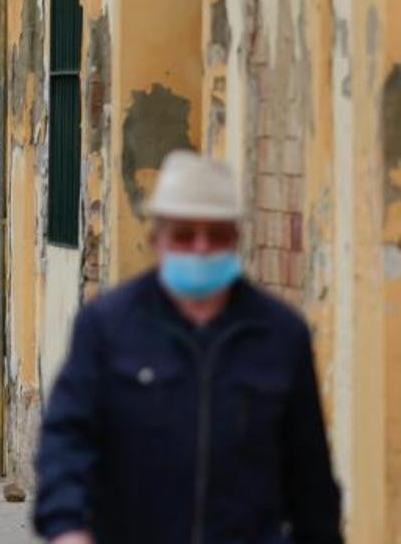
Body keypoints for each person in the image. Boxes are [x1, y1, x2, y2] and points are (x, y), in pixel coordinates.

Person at [33, 150, 342, 544]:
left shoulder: (281, 335)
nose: (200, 247)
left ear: (236, 240)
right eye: (184, 234)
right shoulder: (108, 326)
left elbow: (310, 478)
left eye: (215, 235)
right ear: (156, 239)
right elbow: (66, 438)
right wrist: (67, 525)